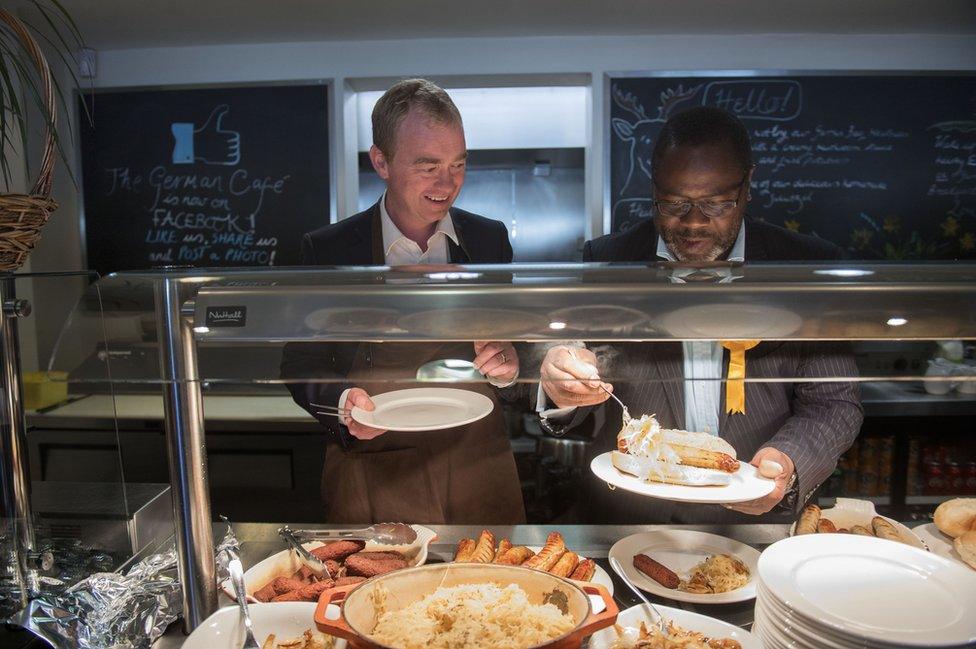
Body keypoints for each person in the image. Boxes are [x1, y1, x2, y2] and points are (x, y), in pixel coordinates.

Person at [539, 107, 863, 523]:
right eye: (674, 203)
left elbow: (834, 404)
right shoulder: (609, 261)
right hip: (633, 517)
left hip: (753, 522)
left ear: (748, 185)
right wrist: (563, 382)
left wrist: (787, 464)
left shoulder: (804, 266)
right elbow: (571, 353)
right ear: (653, 187)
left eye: (715, 204)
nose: (693, 223)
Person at [281, 79, 525, 524]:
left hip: (478, 461)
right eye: (427, 165)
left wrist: (510, 363)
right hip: (376, 465)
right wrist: (341, 401)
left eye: (458, 164)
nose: (447, 184)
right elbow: (299, 361)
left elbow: (518, 341)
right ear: (382, 161)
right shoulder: (331, 250)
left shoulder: (490, 239)